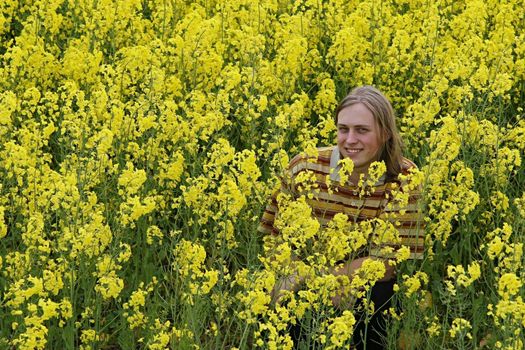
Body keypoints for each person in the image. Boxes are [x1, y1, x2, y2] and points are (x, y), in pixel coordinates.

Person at [258, 85, 425, 349]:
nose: (349, 140)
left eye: (362, 130)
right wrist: (305, 281)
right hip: (301, 276)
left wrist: (328, 281)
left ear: (384, 133)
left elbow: (388, 262)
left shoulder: (404, 178)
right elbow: (276, 241)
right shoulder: (305, 167)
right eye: (343, 129)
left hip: (360, 284)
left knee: (380, 296)